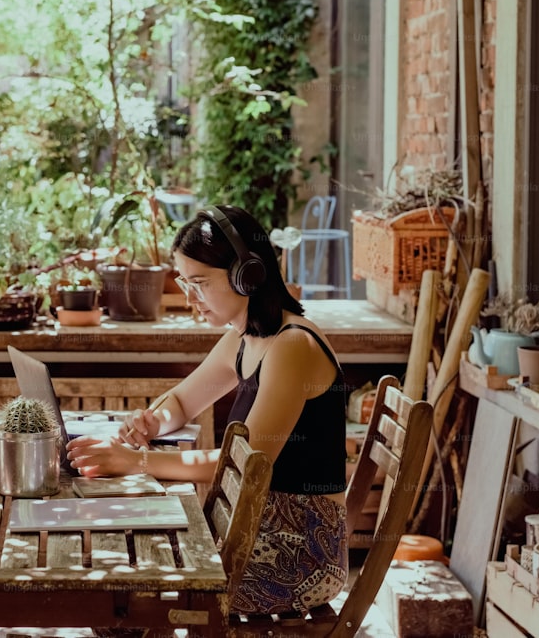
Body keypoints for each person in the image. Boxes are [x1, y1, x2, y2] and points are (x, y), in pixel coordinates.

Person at [66, 204, 348, 616]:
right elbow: (181, 402)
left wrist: (136, 461)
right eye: (183, 281)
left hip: (299, 550)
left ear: (247, 274)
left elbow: (248, 464)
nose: (189, 296)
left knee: (120, 589)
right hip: (249, 528)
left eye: (199, 282)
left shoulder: (291, 346)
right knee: (111, 571)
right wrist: (151, 421)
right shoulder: (246, 336)